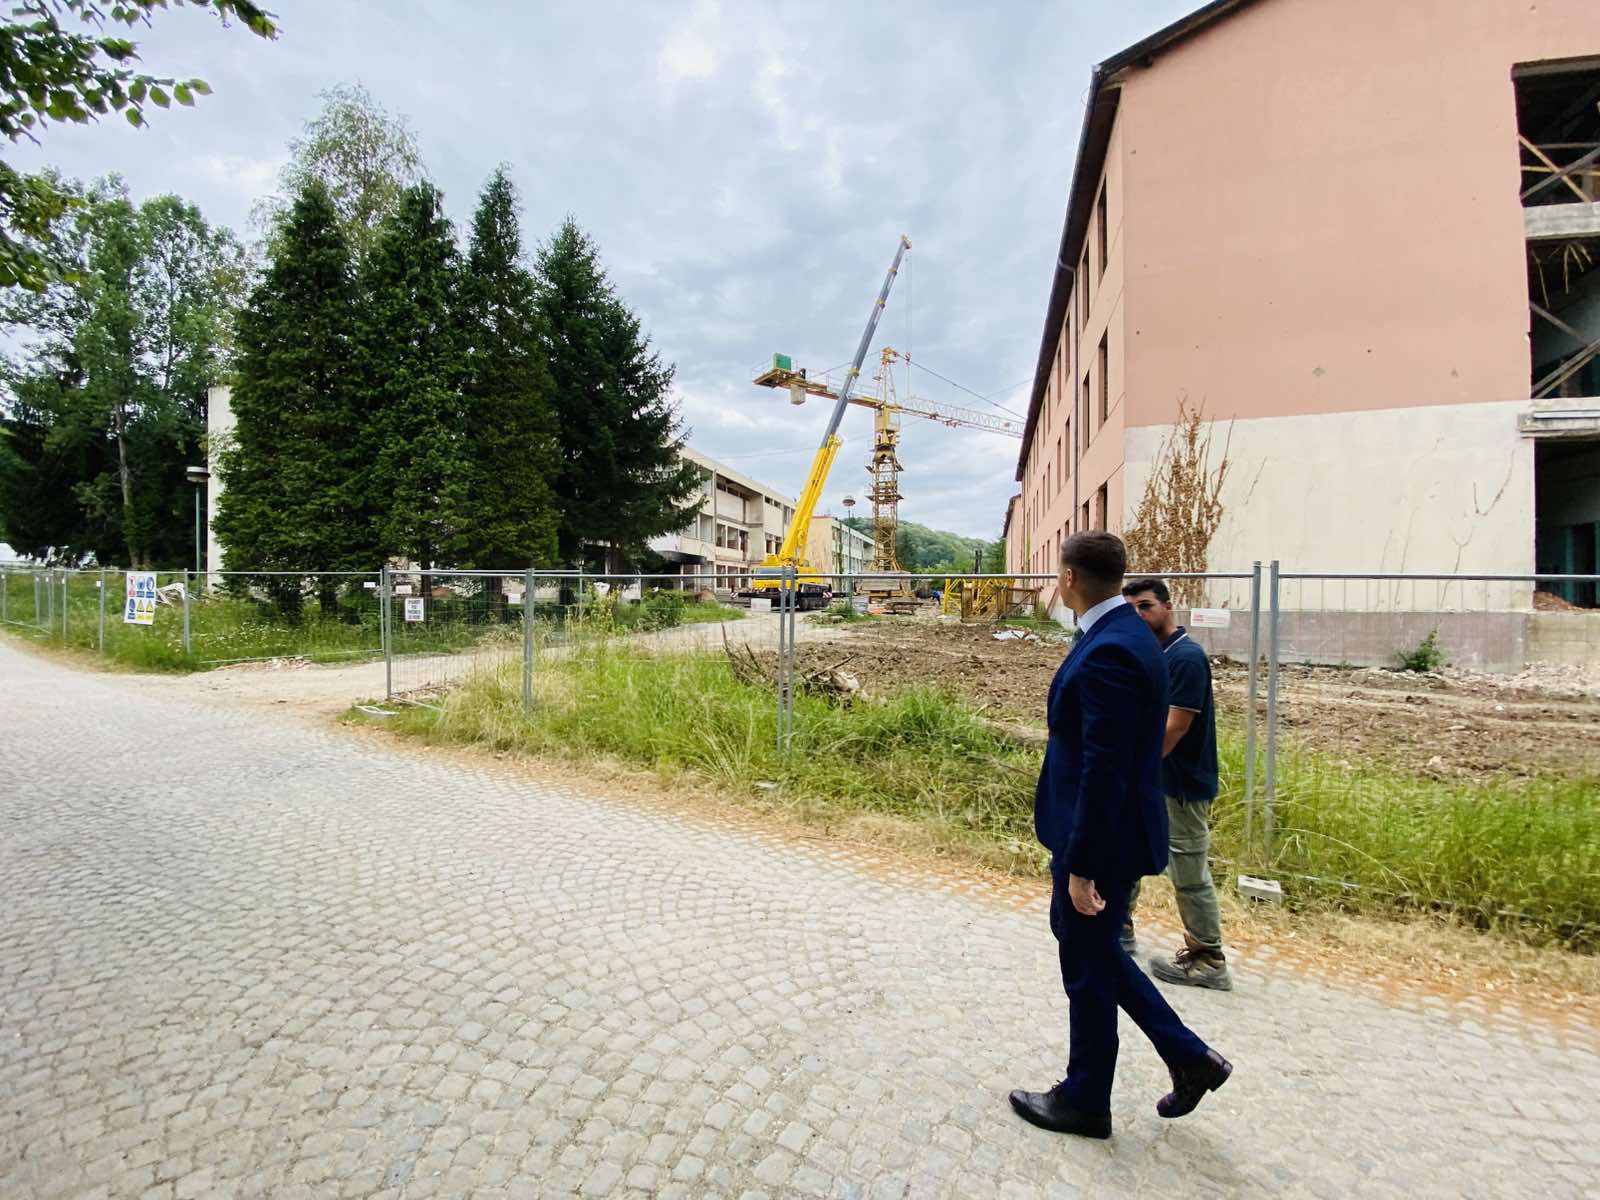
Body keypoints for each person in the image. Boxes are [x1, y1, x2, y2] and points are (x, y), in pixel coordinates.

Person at [1009, 532, 1230, 1140]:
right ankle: (1188, 1056)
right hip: (1104, 829)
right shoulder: (1125, 634)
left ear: (1069, 577)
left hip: (1101, 838)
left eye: (1058, 574)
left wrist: (1082, 864)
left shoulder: (1111, 647)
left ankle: (1087, 1100)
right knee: (1089, 946)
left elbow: (1102, 767)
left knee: (1086, 960)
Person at [1121, 577, 1232, 990]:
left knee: (1187, 871)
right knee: (1129, 850)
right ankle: (1119, 926)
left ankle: (1208, 957)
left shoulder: (1185, 657)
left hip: (1180, 783)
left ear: (1168, 607)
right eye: (1130, 608)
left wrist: (1136, 770)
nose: (1137, 614)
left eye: (1145, 606)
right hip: (1154, 777)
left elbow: (1175, 726)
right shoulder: (1155, 653)